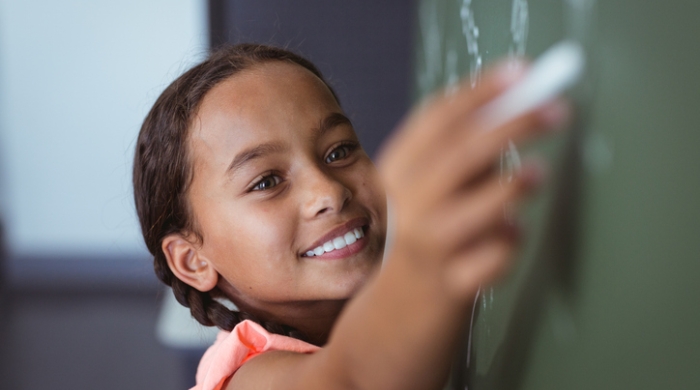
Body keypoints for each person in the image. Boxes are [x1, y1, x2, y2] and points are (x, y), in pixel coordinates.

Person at [133, 44, 568, 390]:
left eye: (338, 152)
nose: (328, 191)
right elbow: (357, 380)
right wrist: (418, 262)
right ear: (193, 260)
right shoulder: (248, 378)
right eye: (266, 181)